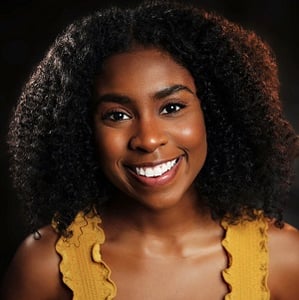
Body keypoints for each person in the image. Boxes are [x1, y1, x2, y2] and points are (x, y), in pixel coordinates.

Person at [1, 1, 299, 299]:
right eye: (117, 115)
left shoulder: (285, 257)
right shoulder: (44, 267)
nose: (148, 139)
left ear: (214, 112)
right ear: (81, 128)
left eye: (172, 108)